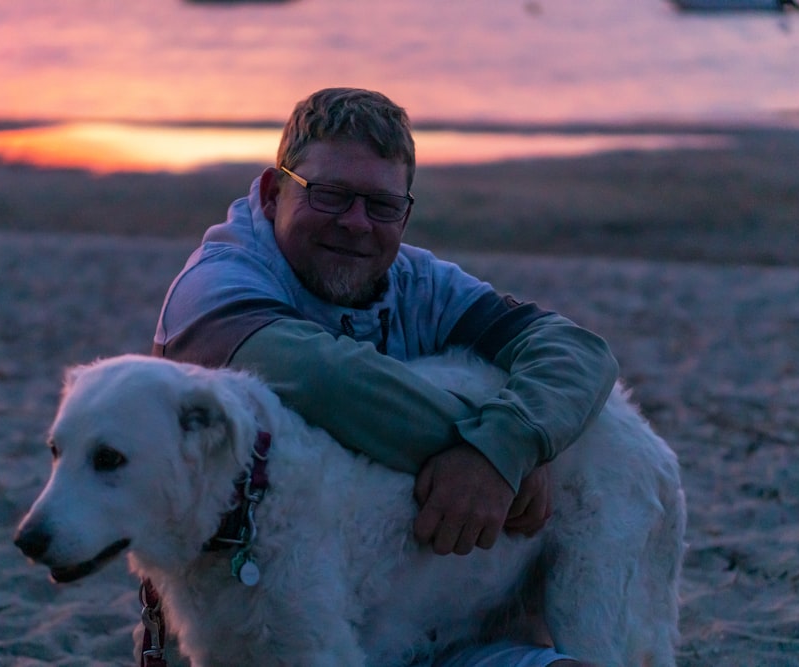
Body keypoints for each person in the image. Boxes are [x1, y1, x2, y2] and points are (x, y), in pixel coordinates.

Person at [150, 87, 615, 667]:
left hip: (418, 621)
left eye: (381, 205)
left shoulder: (419, 285)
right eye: (331, 196)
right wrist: (495, 457)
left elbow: (574, 351)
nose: (356, 224)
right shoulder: (215, 290)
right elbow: (317, 377)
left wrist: (514, 438)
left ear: (406, 212)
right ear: (274, 193)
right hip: (261, 632)